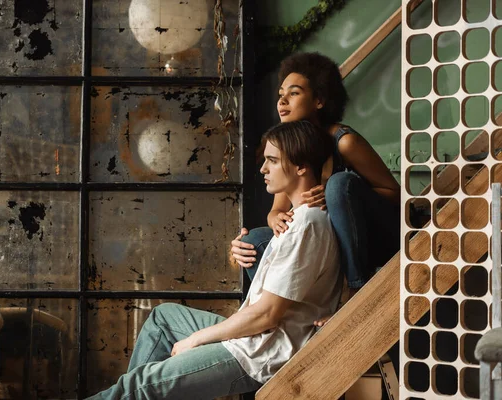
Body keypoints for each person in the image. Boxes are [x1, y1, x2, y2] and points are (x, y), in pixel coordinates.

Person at [85, 120, 341, 400]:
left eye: (272, 161)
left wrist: (195, 339)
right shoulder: (293, 221)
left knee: (140, 385)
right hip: (254, 336)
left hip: (261, 353)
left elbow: (268, 315)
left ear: (301, 166)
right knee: (163, 318)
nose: (263, 169)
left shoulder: (307, 225)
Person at [231, 52, 400, 320]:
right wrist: (277, 220)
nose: (282, 101)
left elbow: (394, 194)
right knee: (254, 241)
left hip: (376, 241)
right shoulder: (291, 148)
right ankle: (281, 318)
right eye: (280, 94)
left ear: (319, 100)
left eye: (294, 93)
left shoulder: (344, 142)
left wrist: (338, 194)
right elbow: (277, 210)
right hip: (330, 252)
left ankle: (356, 294)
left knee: (339, 184)